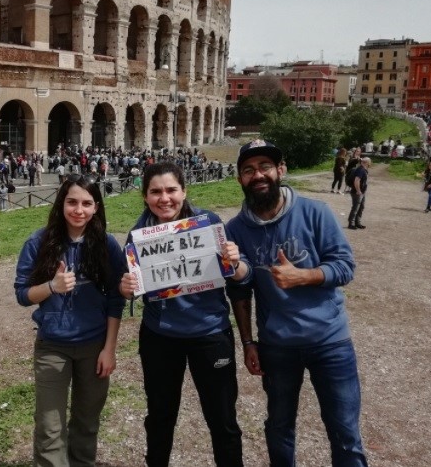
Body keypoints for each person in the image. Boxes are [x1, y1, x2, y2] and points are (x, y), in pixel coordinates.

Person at [225, 140, 369, 467]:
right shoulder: (235, 229)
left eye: (265, 167)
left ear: (281, 170)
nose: (258, 175)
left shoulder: (314, 212)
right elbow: (240, 289)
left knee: (345, 434)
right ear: (240, 179)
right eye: (248, 170)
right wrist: (248, 341)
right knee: (278, 427)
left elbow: (345, 267)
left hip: (330, 341)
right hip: (277, 346)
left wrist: (302, 276)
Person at [118, 161, 248, 467]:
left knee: (223, 420)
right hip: (160, 337)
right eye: (156, 192)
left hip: (210, 333)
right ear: (145, 196)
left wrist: (236, 262)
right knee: (160, 417)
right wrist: (126, 288)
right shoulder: (137, 235)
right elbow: (133, 289)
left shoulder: (208, 223)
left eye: (171, 190)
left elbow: (238, 274)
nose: (165, 198)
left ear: (184, 191)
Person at [14, 175, 126, 467]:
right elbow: (23, 295)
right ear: (61, 203)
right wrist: (52, 286)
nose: (79, 210)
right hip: (53, 347)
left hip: (94, 345)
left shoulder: (106, 245)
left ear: (97, 207)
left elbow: (117, 298)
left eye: (87, 203)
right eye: (72, 202)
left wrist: (110, 348)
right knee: (50, 427)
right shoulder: (38, 242)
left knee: (86, 422)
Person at [347, 157, 371, 230]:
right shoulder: (360, 170)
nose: (370, 163)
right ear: (367, 163)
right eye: (370, 162)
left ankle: (357, 222)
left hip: (361, 192)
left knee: (361, 207)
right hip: (357, 192)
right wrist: (358, 190)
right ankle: (351, 223)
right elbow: (356, 180)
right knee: (355, 208)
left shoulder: (363, 169)